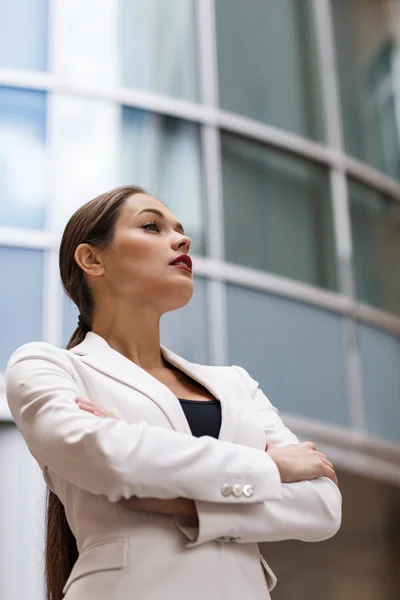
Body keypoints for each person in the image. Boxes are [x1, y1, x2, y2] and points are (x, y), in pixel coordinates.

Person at [5, 185, 341, 600]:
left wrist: (189, 506)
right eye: (152, 226)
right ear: (92, 259)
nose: (182, 240)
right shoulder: (46, 367)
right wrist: (270, 467)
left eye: (181, 230)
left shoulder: (235, 384)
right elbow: (106, 457)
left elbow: (323, 506)